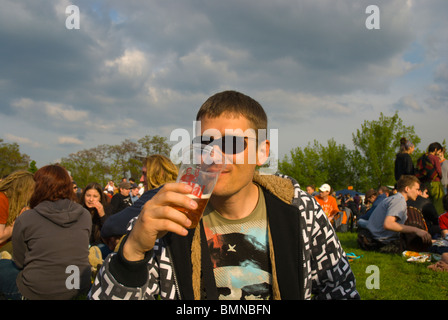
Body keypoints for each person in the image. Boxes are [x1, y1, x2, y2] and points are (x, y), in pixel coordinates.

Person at [89, 90, 359, 300]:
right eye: (205, 143)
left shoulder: (300, 212)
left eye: (232, 143)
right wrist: (133, 250)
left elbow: (340, 289)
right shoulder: (173, 217)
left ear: (262, 152)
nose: (215, 155)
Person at [0, 164, 91, 300]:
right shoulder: (85, 215)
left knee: (4, 265)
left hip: (37, 292)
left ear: (38, 187)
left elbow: (20, 262)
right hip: (77, 287)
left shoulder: (27, 217)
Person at [100, 154, 179, 252]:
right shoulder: (179, 193)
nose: (141, 179)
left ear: (160, 173)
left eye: (145, 174)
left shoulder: (155, 195)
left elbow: (111, 225)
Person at [358, 175, 432, 254]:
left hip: (371, 236)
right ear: (407, 189)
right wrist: (416, 230)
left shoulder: (393, 198)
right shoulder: (399, 201)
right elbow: (388, 224)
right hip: (378, 242)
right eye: (417, 189)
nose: (418, 192)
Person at [0, 170, 35, 254]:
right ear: (22, 189)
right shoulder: (2, 200)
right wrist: (20, 219)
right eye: (32, 190)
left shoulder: (10, 201)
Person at [80, 182, 111, 247]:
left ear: (100, 198)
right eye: (88, 196)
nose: (91, 199)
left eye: (95, 196)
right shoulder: (79, 210)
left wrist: (102, 215)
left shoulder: (107, 209)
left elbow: (109, 232)